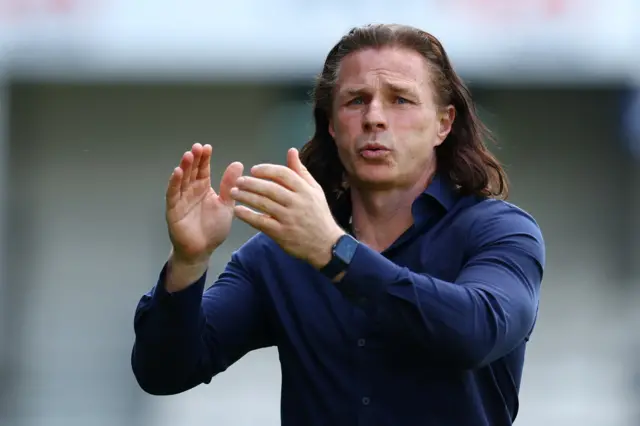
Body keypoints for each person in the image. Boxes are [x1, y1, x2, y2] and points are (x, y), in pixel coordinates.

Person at [131, 23, 545, 426]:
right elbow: (164, 372)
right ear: (331, 124)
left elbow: (475, 333)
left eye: (400, 99)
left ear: (443, 123)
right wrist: (188, 263)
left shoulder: (500, 232)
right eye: (355, 101)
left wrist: (336, 253)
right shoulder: (279, 254)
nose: (374, 118)